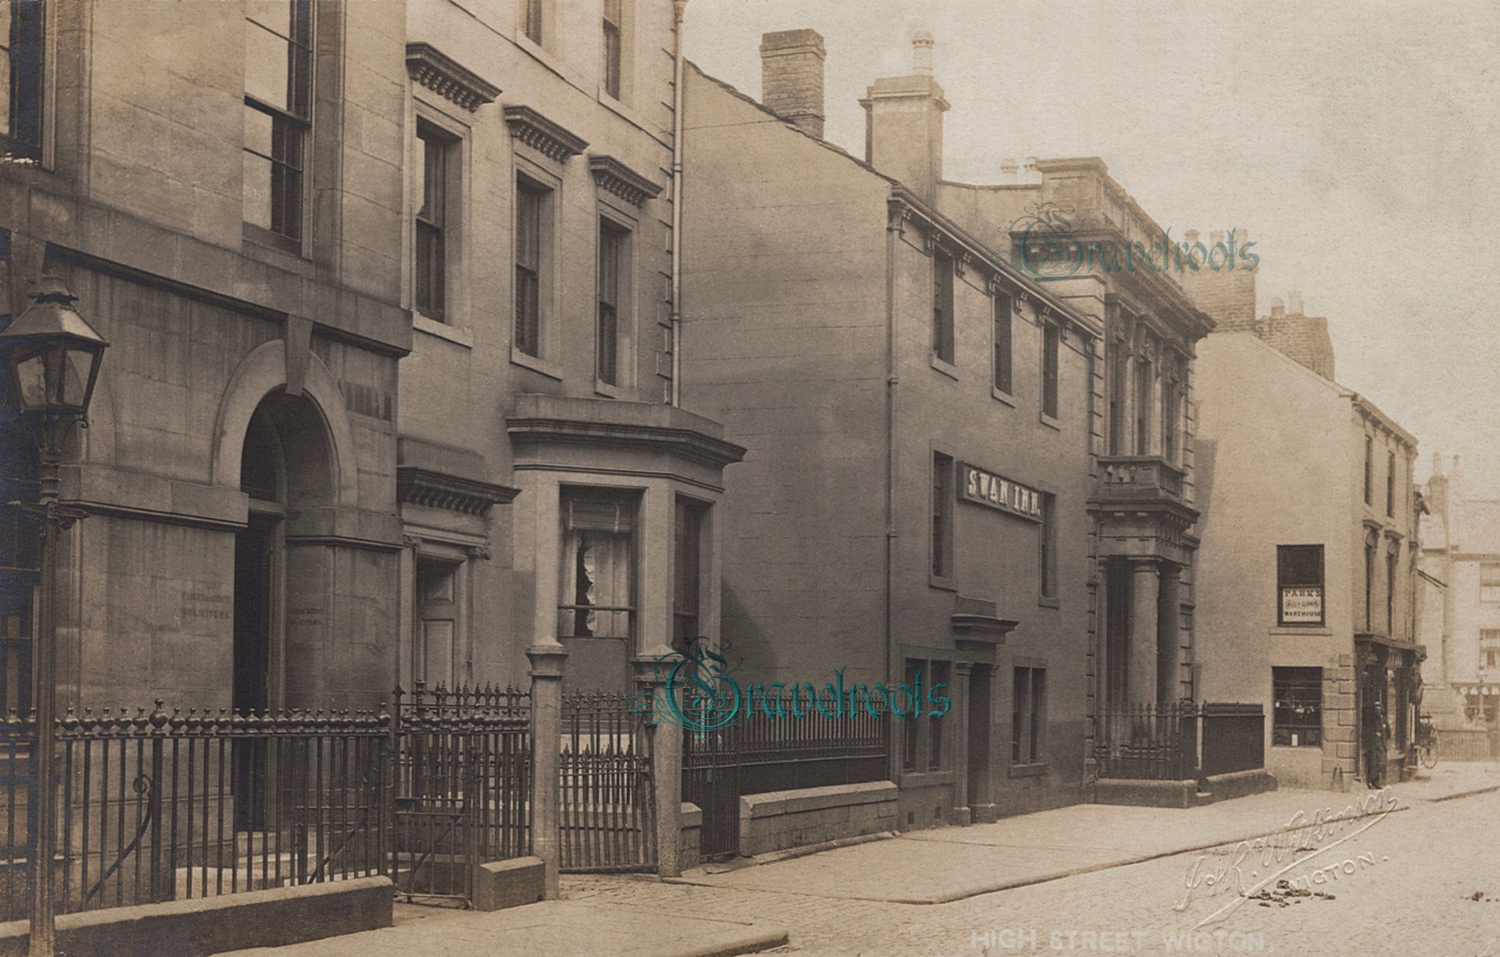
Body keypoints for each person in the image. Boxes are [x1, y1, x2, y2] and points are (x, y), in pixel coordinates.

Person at [1362, 699, 1389, 788]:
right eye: (1376, 709)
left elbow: (1388, 733)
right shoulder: (1371, 721)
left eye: (1379, 708)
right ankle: (1371, 782)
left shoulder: (1384, 720)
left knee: (1382, 763)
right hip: (1373, 746)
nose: (1377, 711)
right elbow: (1366, 732)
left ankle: (1378, 781)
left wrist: (1383, 739)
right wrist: (1374, 735)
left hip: (1382, 745)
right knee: (1373, 764)